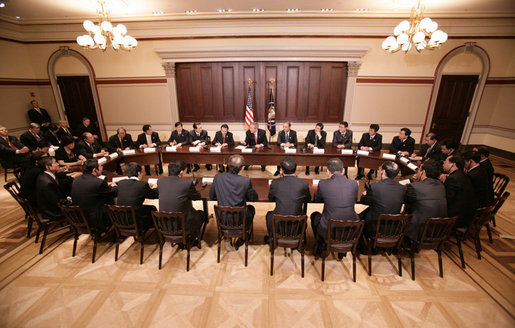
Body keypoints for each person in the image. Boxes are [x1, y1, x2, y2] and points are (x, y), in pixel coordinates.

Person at [210, 155, 258, 248]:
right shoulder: (245, 181)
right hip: (240, 219)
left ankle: (227, 237)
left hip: (223, 219)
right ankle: (243, 235)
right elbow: (254, 198)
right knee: (251, 209)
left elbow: (212, 196)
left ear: (228, 165)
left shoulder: (218, 177)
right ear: (241, 168)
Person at [311, 158, 359, 247]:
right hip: (350, 228)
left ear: (328, 171)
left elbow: (316, 199)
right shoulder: (354, 184)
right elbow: (355, 200)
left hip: (329, 230)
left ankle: (320, 245)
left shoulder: (322, 184)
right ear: (343, 171)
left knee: (314, 215)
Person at [265, 157, 311, 242]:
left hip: (279, 224)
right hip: (297, 225)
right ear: (295, 169)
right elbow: (308, 199)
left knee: (269, 215)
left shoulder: (275, 183)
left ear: (282, 170)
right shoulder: (303, 184)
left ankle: (272, 238)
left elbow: (271, 198)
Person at [158, 160, 206, 238]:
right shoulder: (186, 183)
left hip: (166, 225)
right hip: (182, 225)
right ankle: (194, 237)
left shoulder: (160, 181)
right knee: (201, 214)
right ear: (181, 172)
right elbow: (197, 197)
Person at [359, 161, 406, 238]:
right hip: (393, 227)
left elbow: (365, 201)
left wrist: (364, 195)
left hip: (375, 227)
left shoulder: (375, 187)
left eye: (380, 168)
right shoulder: (402, 188)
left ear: (383, 172)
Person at [404, 160, 447, 241]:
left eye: (419, 170)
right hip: (437, 231)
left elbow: (407, 205)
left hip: (419, 231)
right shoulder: (441, 186)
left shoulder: (414, 187)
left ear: (423, 172)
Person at [71, 159, 117, 231]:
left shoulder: (76, 180)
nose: (101, 168)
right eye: (100, 167)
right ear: (94, 170)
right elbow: (113, 193)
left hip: (79, 217)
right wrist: (114, 186)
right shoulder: (99, 182)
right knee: (111, 200)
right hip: (96, 219)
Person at [116, 162, 159, 230]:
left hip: (121, 219)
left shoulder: (121, 183)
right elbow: (154, 195)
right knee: (152, 208)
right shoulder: (142, 185)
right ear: (139, 173)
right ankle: (156, 228)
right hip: (135, 220)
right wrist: (155, 187)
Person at [441, 155, 476, 228]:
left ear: (453, 164)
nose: (443, 164)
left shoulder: (453, 179)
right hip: (467, 213)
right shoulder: (463, 174)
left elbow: (447, 200)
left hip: (457, 218)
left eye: (445, 162)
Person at [35, 156, 69, 221]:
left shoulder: (44, 175)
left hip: (52, 206)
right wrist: (70, 200)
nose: (58, 164)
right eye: (55, 162)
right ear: (48, 167)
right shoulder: (47, 183)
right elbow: (56, 202)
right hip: (53, 212)